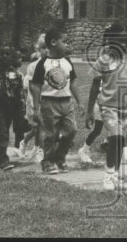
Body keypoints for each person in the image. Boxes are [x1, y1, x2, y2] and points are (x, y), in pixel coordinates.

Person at [85, 23, 127, 190]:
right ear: (111, 41)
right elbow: (95, 86)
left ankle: (115, 174)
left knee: (120, 142)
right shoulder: (103, 60)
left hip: (126, 108)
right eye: (122, 41)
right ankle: (108, 176)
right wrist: (89, 111)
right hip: (108, 107)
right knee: (115, 138)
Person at [30, 27, 82, 175]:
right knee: (51, 134)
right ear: (53, 42)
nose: (67, 45)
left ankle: (60, 157)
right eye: (64, 42)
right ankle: (48, 161)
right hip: (49, 102)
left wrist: (79, 101)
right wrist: (35, 108)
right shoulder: (43, 63)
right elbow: (36, 86)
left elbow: (72, 82)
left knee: (72, 130)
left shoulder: (67, 61)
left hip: (66, 102)